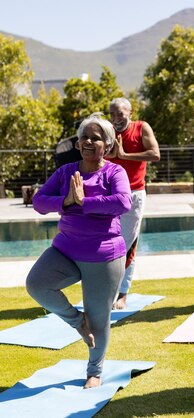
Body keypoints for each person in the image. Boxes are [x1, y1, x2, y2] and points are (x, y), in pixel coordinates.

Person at [25, 113, 131, 389]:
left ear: (106, 145)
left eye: (96, 138)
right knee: (36, 284)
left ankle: (94, 371)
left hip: (104, 255)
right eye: (84, 136)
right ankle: (77, 321)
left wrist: (84, 202)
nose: (88, 141)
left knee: (99, 320)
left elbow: (123, 202)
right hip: (66, 250)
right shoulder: (65, 172)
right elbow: (39, 202)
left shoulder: (114, 172)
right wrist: (67, 200)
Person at [107, 97, 160, 309]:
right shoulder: (108, 131)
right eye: (112, 114)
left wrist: (124, 155)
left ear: (130, 112)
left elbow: (155, 154)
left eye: (120, 113)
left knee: (127, 244)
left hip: (134, 194)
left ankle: (122, 293)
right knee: (109, 243)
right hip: (109, 195)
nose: (116, 118)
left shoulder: (141, 127)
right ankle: (107, 290)